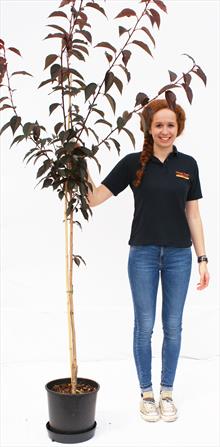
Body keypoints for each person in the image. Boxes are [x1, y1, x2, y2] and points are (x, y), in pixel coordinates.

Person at [86, 99, 210, 422]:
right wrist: (81, 166)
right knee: (144, 325)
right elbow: (95, 197)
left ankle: (167, 392)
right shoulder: (133, 164)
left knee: (173, 325)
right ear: (149, 128)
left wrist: (203, 258)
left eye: (170, 125)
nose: (165, 131)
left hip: (179, 257)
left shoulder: (189, 165)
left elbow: (193, 215)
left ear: (178, 127)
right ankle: (147, 394)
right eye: (159, 125)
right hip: (142, 253)